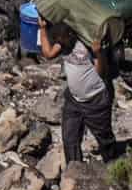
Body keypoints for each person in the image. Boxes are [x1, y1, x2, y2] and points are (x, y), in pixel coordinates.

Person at [38, 16, 116, 163]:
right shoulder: (63, 42)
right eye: (58, 40)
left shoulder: (88, 42)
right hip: (73, 99)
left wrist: (99, 53)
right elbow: (48, 54)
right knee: (69, 138)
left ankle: (113, 165)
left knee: (104, 138)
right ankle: (74, 171)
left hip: (95, 99)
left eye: (62, 40)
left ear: (71, 34)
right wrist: (42, 29)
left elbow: (102, 73)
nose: (60, 44)